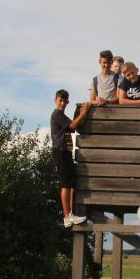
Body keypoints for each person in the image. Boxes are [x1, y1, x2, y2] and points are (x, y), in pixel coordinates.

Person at [50, 89, 93, 227]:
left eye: (64, 101)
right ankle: (67, 216)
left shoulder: (63, 116)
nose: (62, 103)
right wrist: (84, 112)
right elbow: (74, 125)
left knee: (71, 184)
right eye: (60, 100)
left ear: (67, 102)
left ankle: (71, 213)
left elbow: (72, 129)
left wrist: (71, 150)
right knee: (65, 185)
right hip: (60, 151)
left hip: (66, 151)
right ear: (55, 101)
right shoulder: (56, 114)